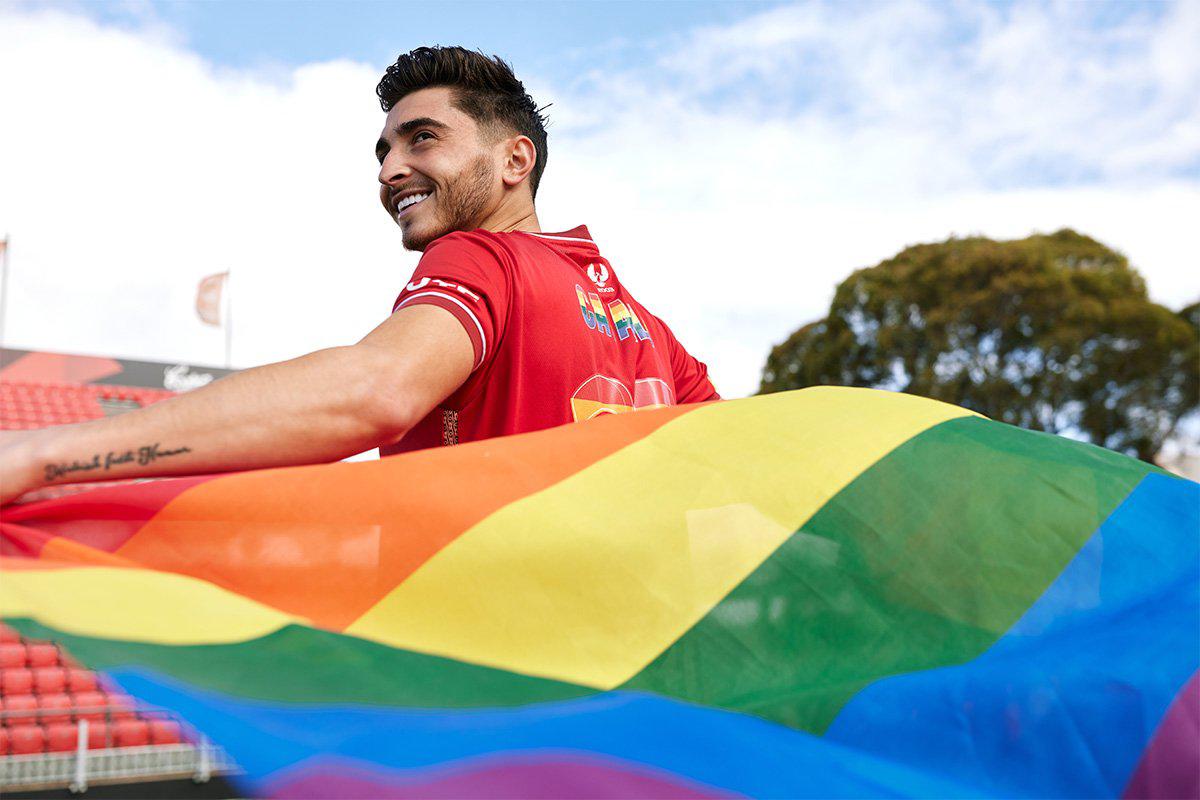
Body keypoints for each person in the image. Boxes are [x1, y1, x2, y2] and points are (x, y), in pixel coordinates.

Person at [0, 46, 718, 506]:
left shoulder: (483, 257)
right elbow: (735, 481)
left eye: (422, 138)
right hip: (636, 711)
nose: (389, 170)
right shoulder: (654, 335)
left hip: (481, 693)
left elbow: (376, 390)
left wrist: (46, 453)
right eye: (383, 150)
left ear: (513, 162)